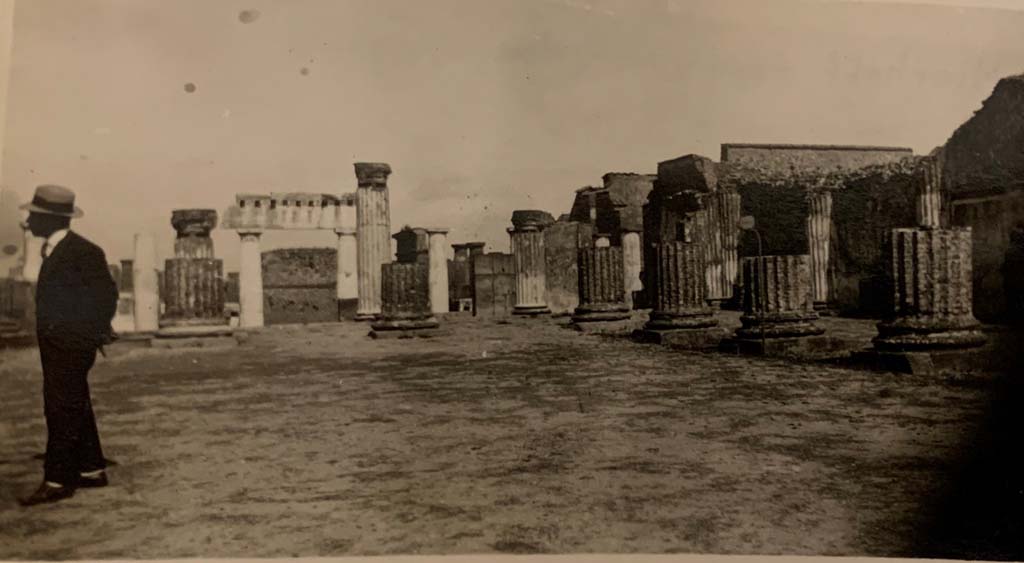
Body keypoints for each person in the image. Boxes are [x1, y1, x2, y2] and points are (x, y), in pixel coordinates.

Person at [17, 185, 118, 507]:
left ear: (50, 220)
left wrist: (83, 337)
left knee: (60, 407)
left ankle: (57, 479)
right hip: (58, 343)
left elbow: (105, 298)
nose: (28, 221)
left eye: (34, 215)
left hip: (71, 344)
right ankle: (91, 469)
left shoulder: (84, 251)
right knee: (74, 402)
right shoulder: (55, 249)